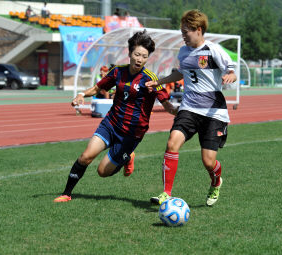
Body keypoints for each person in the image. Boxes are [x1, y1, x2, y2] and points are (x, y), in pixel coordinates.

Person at [54, 30, 178, 202]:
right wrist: (82, 94)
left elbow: (166, 102)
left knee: (102, 172)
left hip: (131, 133)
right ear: (129, 53)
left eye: (144, 56)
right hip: (111, 124)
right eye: (137, 54)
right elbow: (98, 88)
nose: (140, 59)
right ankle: (66, 194)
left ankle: (127, 157)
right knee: (86, 156)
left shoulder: (150, 78)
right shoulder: (117, 72)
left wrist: (175, 111)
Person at [145, 9, 237, 206]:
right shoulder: (183, 51)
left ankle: (216, 181)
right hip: (189, 107)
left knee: (208, 161)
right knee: (172, 143)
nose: (183, 36)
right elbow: (180, 74)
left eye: (186, 32)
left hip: (214, 112)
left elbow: (232, 69)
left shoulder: (213, 50)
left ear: (199, 30)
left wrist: (230, 76)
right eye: (182, 32)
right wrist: (159, 82)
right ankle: (166, 193)